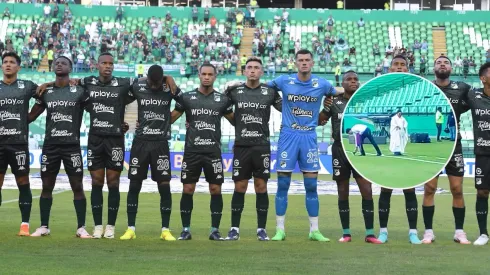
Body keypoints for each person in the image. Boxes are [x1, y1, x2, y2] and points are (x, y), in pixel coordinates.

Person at [36, 53, 134, 239]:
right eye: (104, 63)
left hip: (115, 139)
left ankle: (110, 226)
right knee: (96, 182)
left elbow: (145, 86)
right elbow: (64, 82)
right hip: (95, 139)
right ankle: (97, 226)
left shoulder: (123, 83)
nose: (107, 66)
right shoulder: (86, 82)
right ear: (97, 65)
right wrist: (47, 84)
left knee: (113, 183)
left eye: (110, 63)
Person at [266, 49, 342, 241]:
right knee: (283, 184)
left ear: (312, 62)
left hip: (308, 137)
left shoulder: (321, 84)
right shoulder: (284, 81)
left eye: (307, 60)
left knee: (311, 185)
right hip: (288, 136)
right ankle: (280, 230)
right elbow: (263, 89)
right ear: (295, 63)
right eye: (301, 60)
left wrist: (358, 90)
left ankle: (314, 230)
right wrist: (277, 103)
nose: (304, 63)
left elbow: (338, 92)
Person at [28, 56, 91, 238]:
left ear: (71, 68)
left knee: (77, 185)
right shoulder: (46, 91)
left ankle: (81, 227)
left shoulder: (79, 91)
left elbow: (95, 111)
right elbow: (31, 117)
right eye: (56, 63)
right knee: (46, 186)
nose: (59, 64)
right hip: (51, 146)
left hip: (72, 146)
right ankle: (44, 226)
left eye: (63, 63)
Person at [172, 63, 234, 241]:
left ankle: (215, 230)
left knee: (215, 189)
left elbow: (236, 122)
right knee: (188, 189)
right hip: (192, 152)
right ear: (199, 75)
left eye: (210, 74)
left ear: (215, 77)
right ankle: (185, 229)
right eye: (204, 74)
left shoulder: (222, 100)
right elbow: (170, 118)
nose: (207, 77)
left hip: (213, 153)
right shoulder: (187, 98)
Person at [319, 71, 381, 244]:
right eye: (349, 79)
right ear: (343, 83)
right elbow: (320, 120)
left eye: (355, 79)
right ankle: (346, 233)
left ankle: (370, 233)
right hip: (340, 149)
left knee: (367, 190)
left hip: (360, 148)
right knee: (342, 191)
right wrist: (325, 108)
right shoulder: (334, 101)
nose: (353, 82)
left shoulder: (364, 101)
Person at [224, 57, 282, 241]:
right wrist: (237, 123)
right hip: (242, 145)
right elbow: (219, 107)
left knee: (261, 186)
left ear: (262, 72)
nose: (252, 70)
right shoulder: (235, 91)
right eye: (249, 67)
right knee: (240, 186)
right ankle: (234, 229)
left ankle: (261, 230)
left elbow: (286, 109)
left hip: (262, 145)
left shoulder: (270, 92)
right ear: (244, 71)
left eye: (256, 67)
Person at [119, 65, 179, 241]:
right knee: (134, 185)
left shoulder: (169, 88)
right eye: (152, 82)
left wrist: (169, 119)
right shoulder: (138, 86)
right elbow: (119, 100)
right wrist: (121, 121)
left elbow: (184, 102)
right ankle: (130, 229)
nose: (154, 86)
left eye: (158, 82)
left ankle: (165, 230)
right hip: (141, 143)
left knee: (164, 186)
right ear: (147, 79)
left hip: (161, 144)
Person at [422, 56, 472, 245]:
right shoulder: (426, 87)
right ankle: (428, 232)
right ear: (433, 68)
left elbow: (475, 104)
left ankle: (459, 232)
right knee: (429, 188)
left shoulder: (462, 89)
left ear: (451, 67)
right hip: (432, 146)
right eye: (438, 62)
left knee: (457, 189)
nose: (442, 64)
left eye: (446, 62)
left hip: (454, 145)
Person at [377, 55, 421, 244]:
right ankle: (383, 231)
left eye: (403, 65)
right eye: (396, 64)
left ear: (408, 69)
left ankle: (413, 232)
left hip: (401, 137)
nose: (399, 67)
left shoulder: (414, 88)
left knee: (409, 188)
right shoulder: (382, 89)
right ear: (390, 68)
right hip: (392, 139)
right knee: (385, 188)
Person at [0, 52, 38, 236]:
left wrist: (29, 117)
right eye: (5, 62)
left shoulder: (27, 86)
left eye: (11, 62)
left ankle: (25, 224)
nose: (8, 65)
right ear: (1, 66)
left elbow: (44, 98)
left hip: (18, 143)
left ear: (18, 67)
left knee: (23, 182)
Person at [463, 62, 490, 245]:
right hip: (483, 152)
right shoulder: (473, 95)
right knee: (482, 192)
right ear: (483, 78)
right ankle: (483, 234)